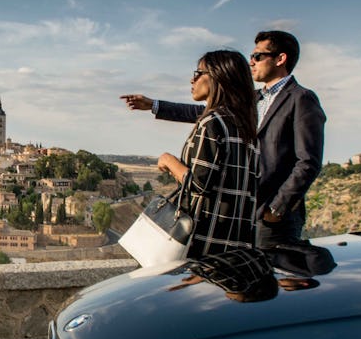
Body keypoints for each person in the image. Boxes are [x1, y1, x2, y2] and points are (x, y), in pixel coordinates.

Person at [122, 30, 326, 247]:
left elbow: (308, 162)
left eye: (257, 56)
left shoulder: (301, 99)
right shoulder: (253, 100)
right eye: (250, 57)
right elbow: (207, 113)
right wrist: (154, 105)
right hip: (243, 212)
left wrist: (276, 208)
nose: (251, 63)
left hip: (272, 216)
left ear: (280, 58)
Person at [153, 50, 260, 258]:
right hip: (238, 242)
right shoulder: (246, 127)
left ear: (219, 77)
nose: (192, 79)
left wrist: (169, 160)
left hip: (205, 241)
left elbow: (199, 185)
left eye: (199, 73)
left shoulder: (212, 122)